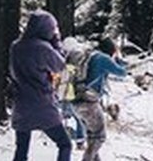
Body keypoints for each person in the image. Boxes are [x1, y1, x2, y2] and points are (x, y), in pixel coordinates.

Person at [10, 11, 72, 161]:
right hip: (42, 105)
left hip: (20, 105)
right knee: (65, 144)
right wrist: (56, 44)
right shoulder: (43, 48)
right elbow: (62, 68)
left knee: (21, 149)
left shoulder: (16, 46)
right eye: (53, 28)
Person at [70, 38, 128, 161]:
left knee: (92, 136)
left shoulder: (89, 56)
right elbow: (122, 73)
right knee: (99, 137)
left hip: (75, 101)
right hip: (89, 103)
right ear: (111, 51)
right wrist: (119, 59)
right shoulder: (103, 58)